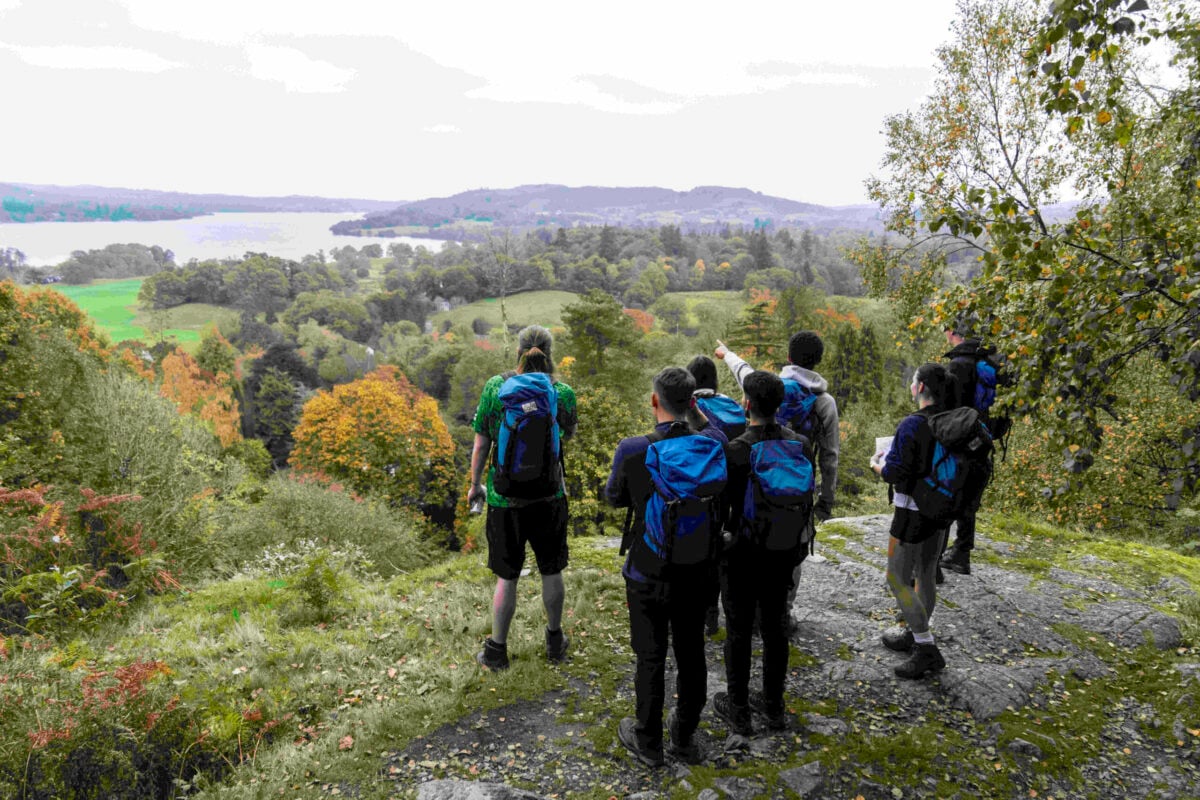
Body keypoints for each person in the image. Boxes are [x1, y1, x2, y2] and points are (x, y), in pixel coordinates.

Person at [605, 367, 727, 767]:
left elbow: (614, 498)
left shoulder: (633, 449)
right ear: (692, 404)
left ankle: (648, 742)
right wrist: (697, 413)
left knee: (650, 655)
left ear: (654, 400)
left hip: (648, 569)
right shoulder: (711, 445)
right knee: (692, 652)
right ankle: (685, 737)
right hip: (698, 569)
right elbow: (721, 437)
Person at [468, 325, 577, 671]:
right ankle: (555, 641)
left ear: (518, 351)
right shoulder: (562, 391)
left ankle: (497, 651)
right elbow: (568, 434)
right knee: (551, 570)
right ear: (550, 352)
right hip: (549, 495)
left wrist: (475, 484)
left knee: (507, 576)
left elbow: (482, 441)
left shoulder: (496, 387)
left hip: (504, 499)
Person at [713, 370, 811, 735]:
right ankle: (774, 706)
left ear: (747, 405)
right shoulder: (800, 445)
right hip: (784, 551)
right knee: (775, 628)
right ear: (779, 405)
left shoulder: (736, 450)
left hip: (742, 553)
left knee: (738, 631)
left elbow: (723, 506)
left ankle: (738, 708)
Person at [715, 331, 839, 615]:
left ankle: (753, 607)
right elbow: (830, 455)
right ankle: (783, 610)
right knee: (791, 541)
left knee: (753, 538)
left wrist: (726, 354)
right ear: (818, 361)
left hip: (757, 481)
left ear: (788, 357)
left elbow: (743, 371)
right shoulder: (824, 402)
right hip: (795, 488)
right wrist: (826, 500)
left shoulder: (770, 386)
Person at [870, 363, 951, 679]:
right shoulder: (951, 420)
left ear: (919, 387)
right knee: (926, 572)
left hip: (911, 510)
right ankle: (916, 631)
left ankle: (925, 647)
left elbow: (894, 473)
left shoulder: (911, 425)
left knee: (896, 577)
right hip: (941, 508)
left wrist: (876, 465)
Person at [685, 354, 741, 636]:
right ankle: (714, 612)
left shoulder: (692, 409)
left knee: (700, 551)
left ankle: (701, 612)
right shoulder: (731, 404)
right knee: (721, 548)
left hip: (703, 487)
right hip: (731, 489)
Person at [939, 324, 994, 576]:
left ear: (953, 332)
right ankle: (961, 553)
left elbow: (951, 405)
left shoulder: (959, 365)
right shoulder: (987, 361)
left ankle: (937, 555)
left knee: (948, 494)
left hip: (962, 437)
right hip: (983, 438)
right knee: (969, 497)